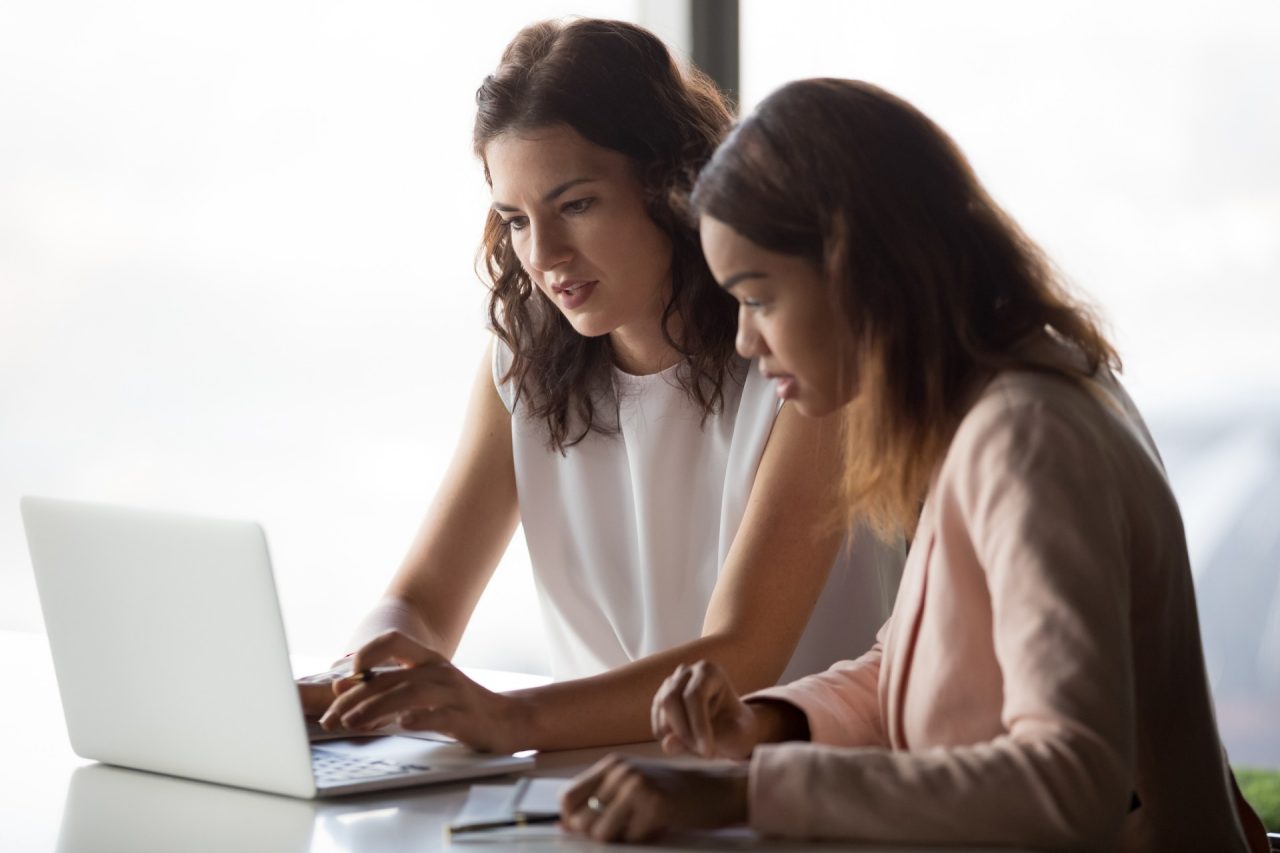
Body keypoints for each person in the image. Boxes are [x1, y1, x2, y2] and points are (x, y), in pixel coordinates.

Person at [560, 79, 1270, 852]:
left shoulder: (1029, 439)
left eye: (758, 297)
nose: (744, 340)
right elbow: (907, 659)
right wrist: (762, 724)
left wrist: (744, 792)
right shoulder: (991, 404)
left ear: (863, 272)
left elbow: (1073, 779)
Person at [302, 25, 902, 753]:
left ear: (671, 183)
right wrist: (357, 676)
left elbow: (740, 657)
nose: (543, 256)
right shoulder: (524, 361)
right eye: (516, 220)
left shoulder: (798, 357)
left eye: (576, 204)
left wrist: (509, 718)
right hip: (588, 788)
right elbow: (423, 600)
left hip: (778, 792)